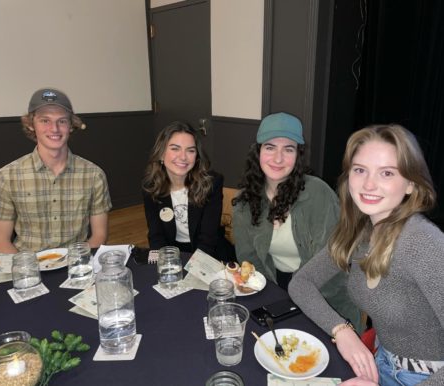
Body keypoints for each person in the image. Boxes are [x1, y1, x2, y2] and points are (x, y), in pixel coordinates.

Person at [289, 124, 444, 386]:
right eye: (360, 170)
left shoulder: (422, 243)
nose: (369, 184)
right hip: (381, 362)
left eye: (386, 173)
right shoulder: (360, 231)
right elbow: (300, 283)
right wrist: (342, 331)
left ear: (410, 184)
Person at [232, 112, 362, 331]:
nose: (278, 158)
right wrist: (270, 299)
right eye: (270, 147)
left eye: (288, 149)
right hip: (274, 289)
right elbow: (250, 261)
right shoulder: (246, 200)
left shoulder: (318, 193)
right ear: (258, 151)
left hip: (326, 300)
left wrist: (295, 300)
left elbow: (330, 263)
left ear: (298, 155)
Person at [0, 88, 112, 254]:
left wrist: (76, 265)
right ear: (31, 125)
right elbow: (0, 240)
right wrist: (28, 272)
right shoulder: (7, 176)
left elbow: (99, 235)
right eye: (45, 121)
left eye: (62, 121)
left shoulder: (94, 175)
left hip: (75, 265)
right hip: (26, 267)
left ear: (71, 126)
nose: (54, 129)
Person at [142, 121, 234, 261]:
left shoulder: (211, 183)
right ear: (161, 154)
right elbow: (156, 235)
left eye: (190, 150)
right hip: (172, 253)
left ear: (197, 156)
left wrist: (193, 271)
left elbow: (208, 239)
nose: (183, 157)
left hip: (210, 254)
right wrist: (163, 264)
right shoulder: (151, 186)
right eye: (175, 148)